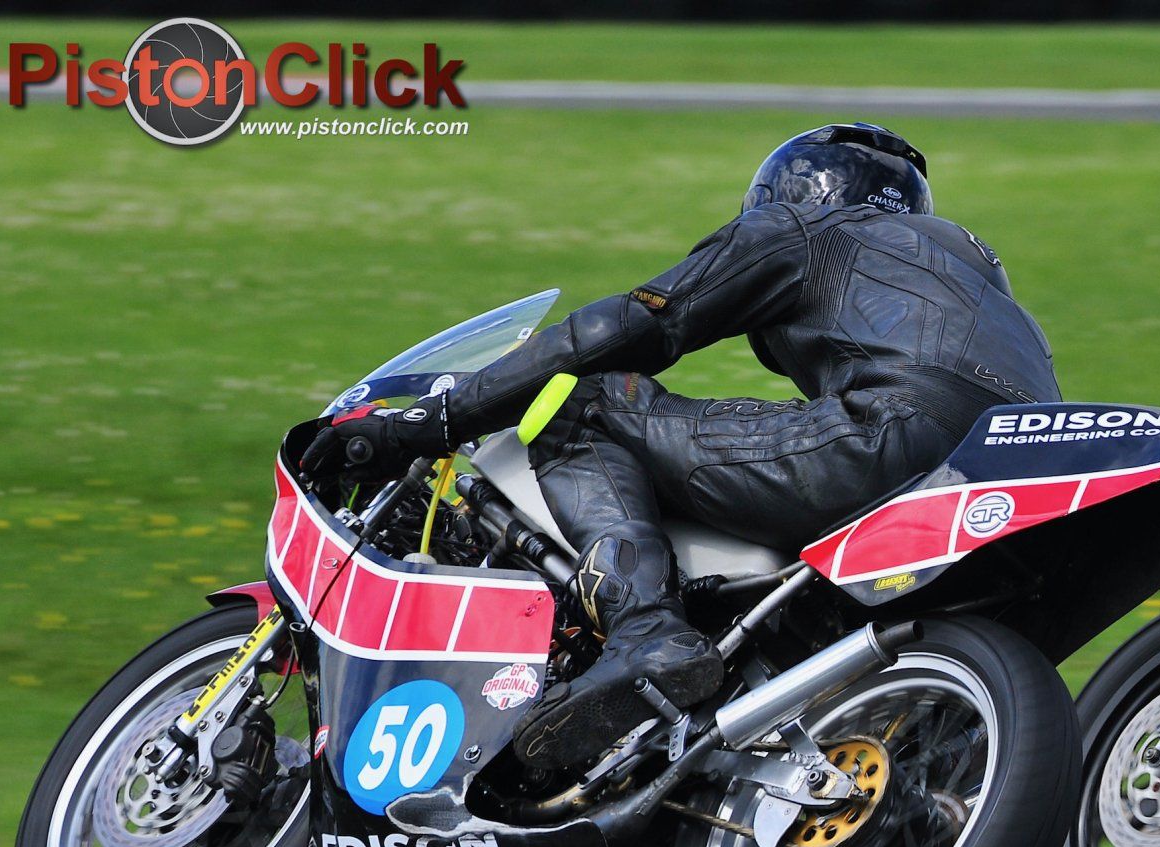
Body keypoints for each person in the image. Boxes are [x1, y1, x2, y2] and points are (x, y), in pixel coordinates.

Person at [303, 123, 1059, 767]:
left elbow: (620, 330)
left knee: (588, 400)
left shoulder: (808, 227)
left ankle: (645, 633)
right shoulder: (998, 301)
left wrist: (430, 422)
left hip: (881, 441)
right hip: (997, 486)